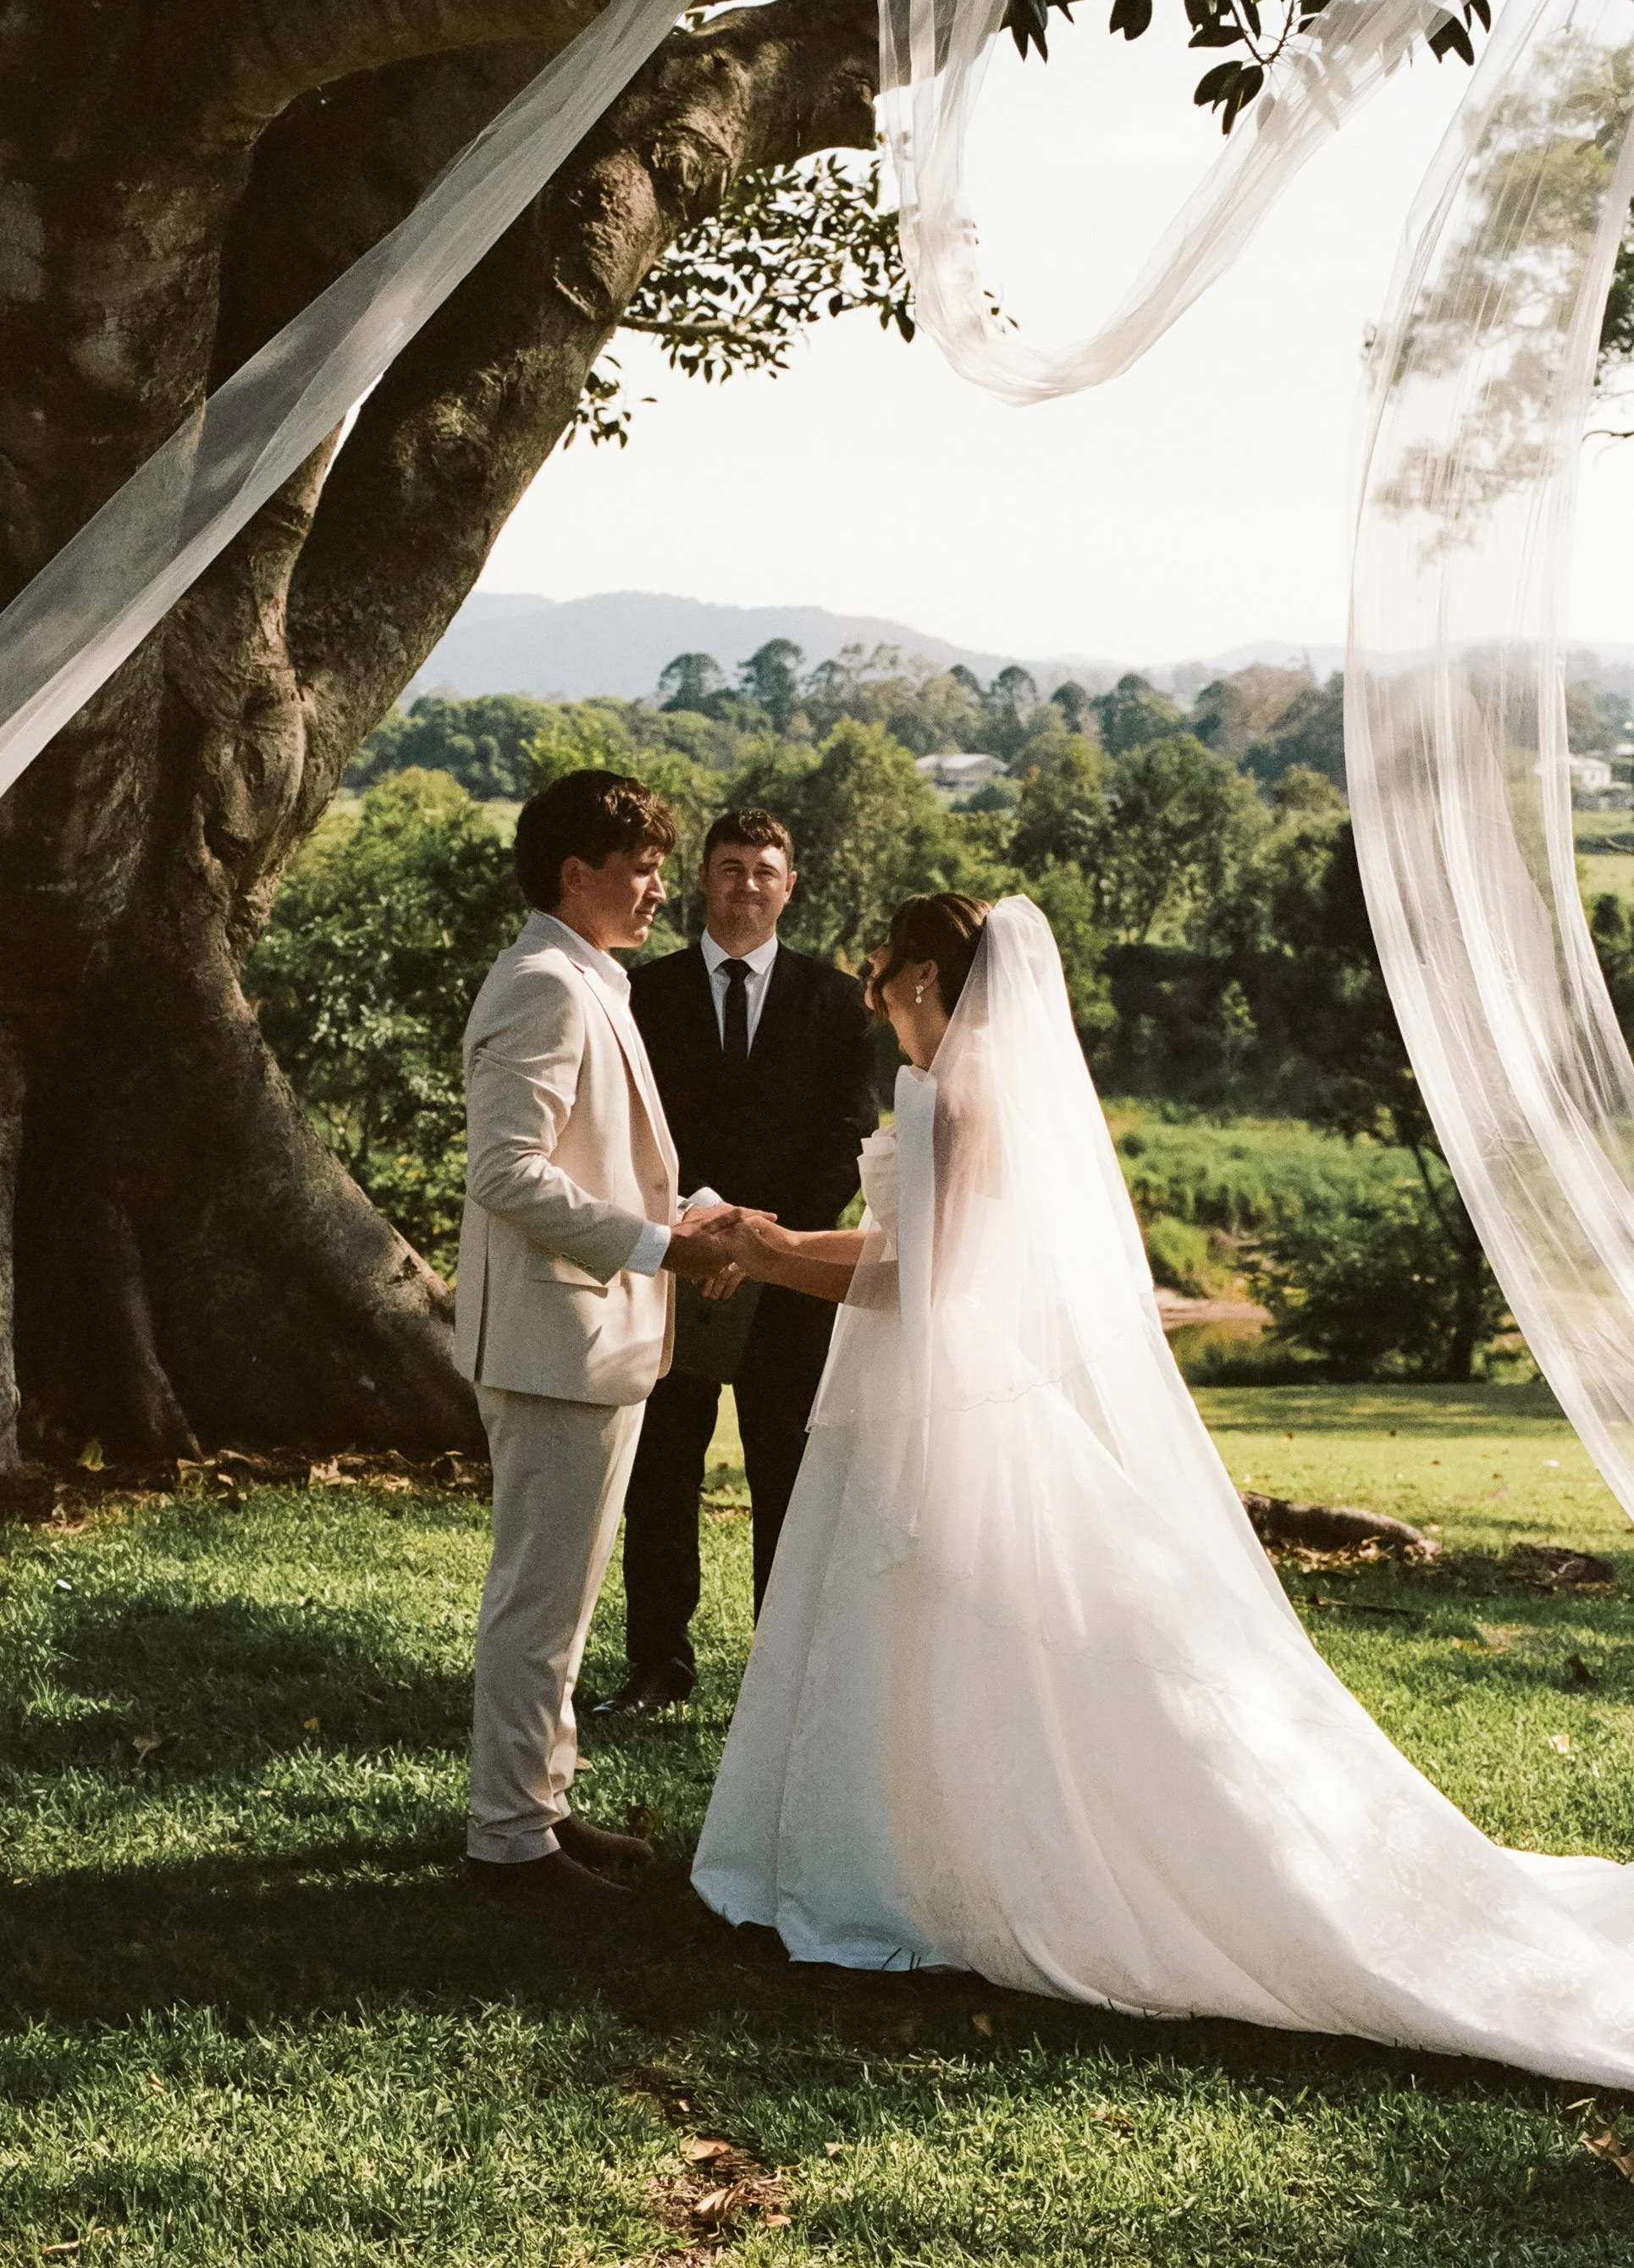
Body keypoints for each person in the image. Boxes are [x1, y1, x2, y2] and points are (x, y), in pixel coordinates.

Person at [693, 891, 1634, 2089]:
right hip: (920, 1394)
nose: (870, 991)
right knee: (910, 1631)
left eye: (879, 972)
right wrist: (771, 1241)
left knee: (970, 1624)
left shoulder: (963, 1093)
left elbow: (922, 1282)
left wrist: (764, 1251)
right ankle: (897, 1861)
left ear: (925, 975)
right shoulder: (950, 1087)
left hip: (948, 1401)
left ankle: (952, 1872)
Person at [455, 769, 749, 1907]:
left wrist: (683, 1216)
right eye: (639, 869)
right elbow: (504, 1174)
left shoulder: (593, 979)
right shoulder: (541, 984)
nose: (659, 889)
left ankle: (542, 1805)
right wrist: (656, 1247)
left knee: (566, 1597)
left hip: (596, 1340)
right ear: (572, 872)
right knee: (538, 1596)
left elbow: (592, 1157)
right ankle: (507, 1845)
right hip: (552, 1342)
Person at [593, 807, 877, 1716]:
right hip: (677, 1261)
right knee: (662, 1469)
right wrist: (705, 1222)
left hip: (793, 1277)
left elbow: (848, 1140)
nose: (745, 883)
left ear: (789, 885)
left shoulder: (838, 1003)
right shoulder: (645, 995)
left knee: (785, 1477)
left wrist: (768, 1243)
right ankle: (656, 1666)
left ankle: (781, 1680)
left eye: (763, 868)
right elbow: (634, 1135)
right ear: (703, 881)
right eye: (727, 866)